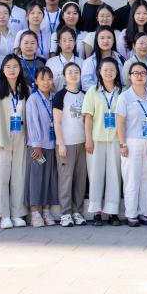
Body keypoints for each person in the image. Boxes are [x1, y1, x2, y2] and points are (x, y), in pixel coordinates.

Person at [0, 55, 30, 229]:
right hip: (2, 137)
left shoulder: (25, 89)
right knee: (0, 177)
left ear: (20, 69)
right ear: (3, 70)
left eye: (15, 66)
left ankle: (17, 213)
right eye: (8, 67)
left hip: (21, 136)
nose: (12, 70)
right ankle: (3, 215)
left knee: (19, 176)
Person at [83, 57, 124, 225]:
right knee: (95, 175)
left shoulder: (122, 92)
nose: (109, 73)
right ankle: (97, 212)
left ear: (117, 72)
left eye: (112, 70)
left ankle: (112, 212)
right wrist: (88, 139)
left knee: (114, 175)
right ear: (99, 72)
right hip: (96, 139)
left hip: (115, 139)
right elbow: (88, 117)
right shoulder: (92, 91)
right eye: (105, 70)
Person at [117, 62, 147, 227]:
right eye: (135, 73)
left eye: (142, 73)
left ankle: (144, 212)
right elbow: (120, 122)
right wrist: (122, 144)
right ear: (130, 76)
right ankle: (131, 214)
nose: (139, 76)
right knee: (131, 179)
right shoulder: (125, 97)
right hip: (131, 141)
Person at [52, 61, 88, 227]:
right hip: (66, 143)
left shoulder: (85, 95)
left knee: (80, 179)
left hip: (82, 143)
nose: (73, 75)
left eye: (76, 72)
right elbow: (57, 122)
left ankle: (77, 212)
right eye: (70, 72)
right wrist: (61, 143)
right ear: (64, 76)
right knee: (66, 179)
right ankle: (65, 213)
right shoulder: (60, 95)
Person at [26, 67, 59, 227]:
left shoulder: (54, 98)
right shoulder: (33, 99)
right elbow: (32, 122)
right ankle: (35, 212)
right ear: (36, 81)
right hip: (38, 146)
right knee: (36, 178)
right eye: (42, 79)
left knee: (50, 178)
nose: (46, 82)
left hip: (52, 145)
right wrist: (36, 144)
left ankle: (46, 210)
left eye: (49, 78)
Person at [47, 28, 81, 92]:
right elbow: (48, 82)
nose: (67, 43)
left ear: (75, 42)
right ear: (59, 43)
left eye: (70, 40)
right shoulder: (51, 62)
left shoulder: (81, 62)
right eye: (64, 40)